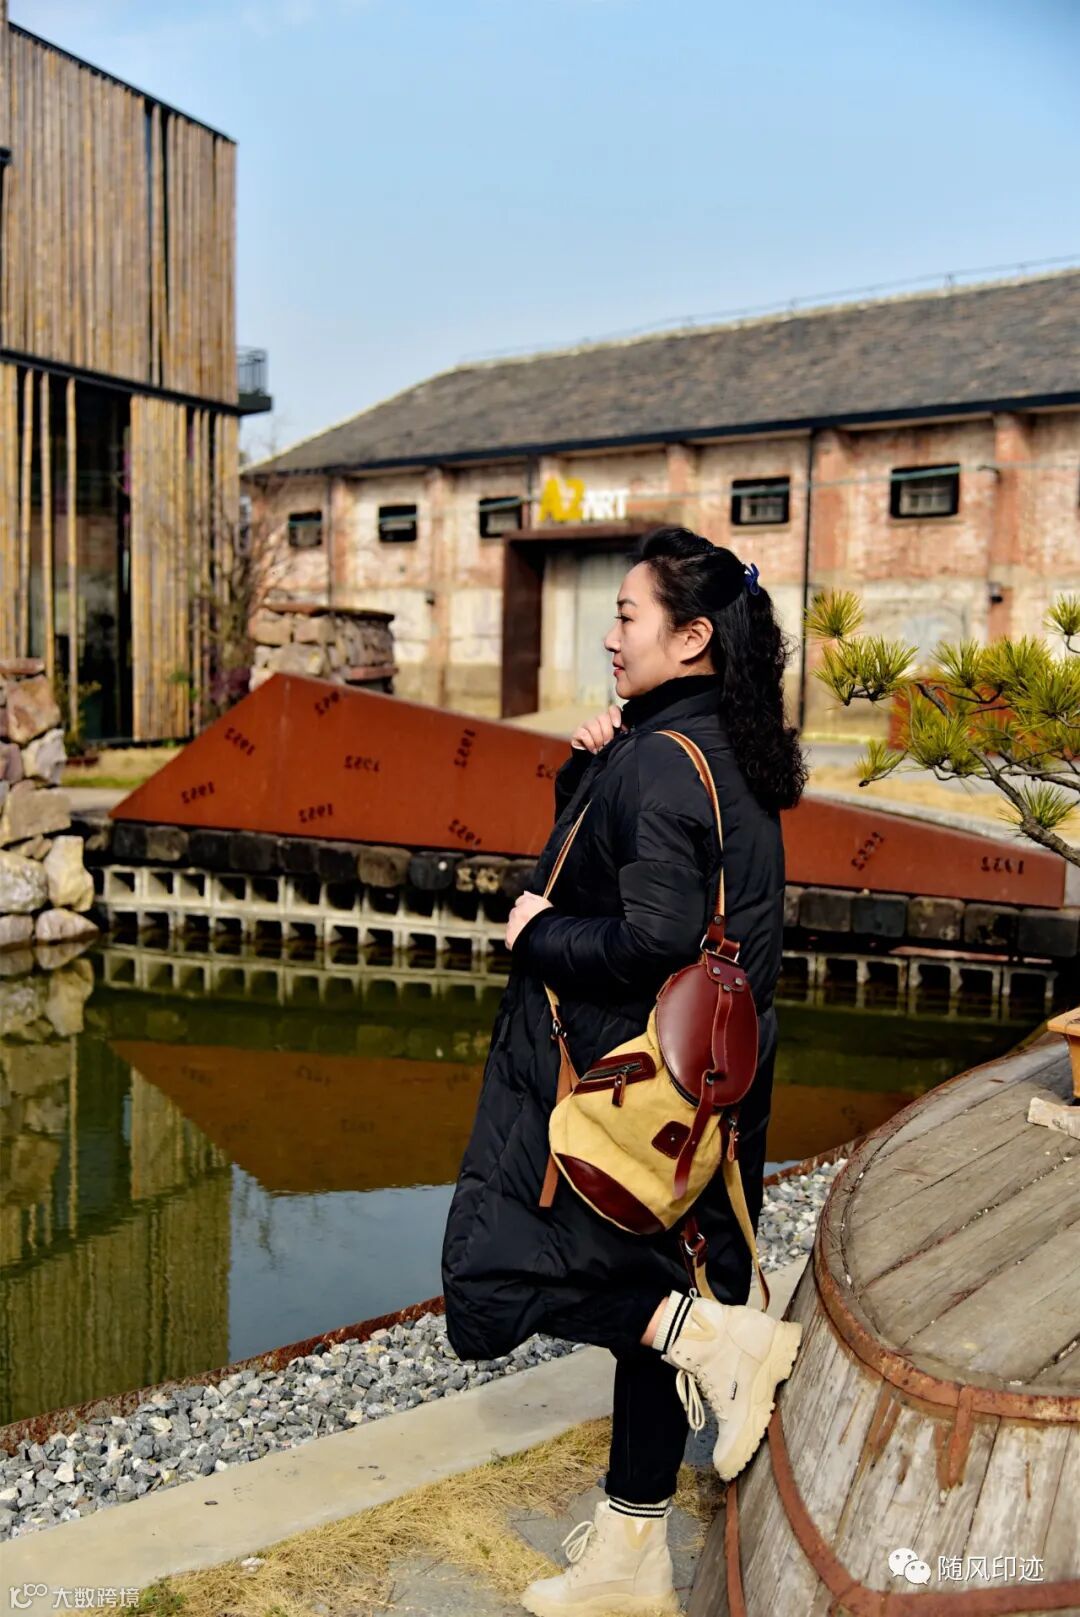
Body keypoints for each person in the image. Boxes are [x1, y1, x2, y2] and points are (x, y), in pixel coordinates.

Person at [440, 525, 807, 1616]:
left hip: (618, 1087)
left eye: (627, 615)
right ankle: (628, 1560)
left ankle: (724, 1346)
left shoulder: (659, 758)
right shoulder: (723, 748)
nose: (610, 636)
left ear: (691, 637)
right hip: (711, 1086)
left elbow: (649, 935)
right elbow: (643, 875)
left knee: (487, 1279)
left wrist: (535, 933)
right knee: (658, 1292)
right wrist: (587, 768)